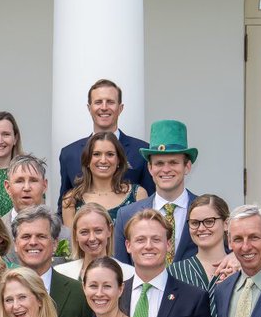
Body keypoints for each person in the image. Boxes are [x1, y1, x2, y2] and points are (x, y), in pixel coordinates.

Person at [58, 79, 153, 212]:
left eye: (110, 102)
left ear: (120, 108)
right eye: (98, 102)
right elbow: (63, 209)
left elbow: (151, 201)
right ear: (89, 108)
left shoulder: (142, 151)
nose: (104, 107)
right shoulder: (69, 154)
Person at [115, 120, 200, 265]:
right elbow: (122, 270)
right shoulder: (126, 215)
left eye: (173, 162)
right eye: (159, 163)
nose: (166, 169)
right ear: (149, 168)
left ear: (187, 166)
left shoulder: (206, 212)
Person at [12, 205, 92, 317]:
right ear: (15, 244)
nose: (33, 242)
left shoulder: (78, 293)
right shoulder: (3, 292)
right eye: (26, 236)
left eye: (41, 236)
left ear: (55, 244)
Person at [61, 132, 148, 229]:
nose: (103, 160)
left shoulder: (137, 195)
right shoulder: (71, 199)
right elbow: (71, 242)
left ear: (118, 160)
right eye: (96, 154)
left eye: (110, 154)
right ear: (87, 160)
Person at [56, 203, 135, 283]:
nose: (92, 238)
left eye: (98, 231)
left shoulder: (129, 274)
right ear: (75, 234)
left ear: (109, 230)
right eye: (84, 232)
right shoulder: (60, 274)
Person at [0, 155, 51, 237]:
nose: (26, 188)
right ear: (8, 187)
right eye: (19, 181)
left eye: (33, 180)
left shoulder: (62, 233)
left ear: (44, 186)